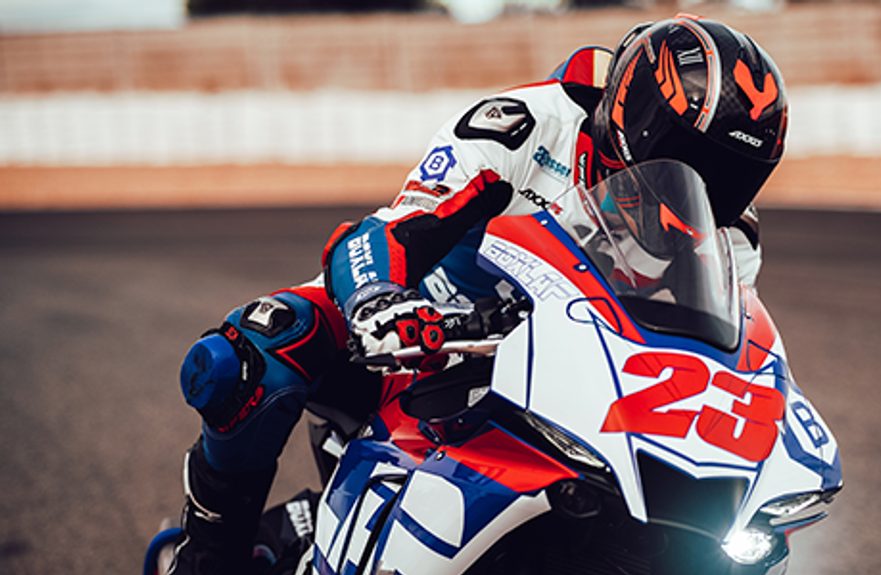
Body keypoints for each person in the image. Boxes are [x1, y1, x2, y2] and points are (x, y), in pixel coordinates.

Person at [168, 14, 788, 574]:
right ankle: (208, 557)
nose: (710, 188)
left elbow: (722, 343)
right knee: (254, 351)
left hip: (564, 371)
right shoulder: (527, 126)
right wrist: (379, 300)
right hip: (419, 336)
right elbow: (391, 230)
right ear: (638, 115)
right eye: (693, 158)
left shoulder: (730, 233)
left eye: (736, 176)